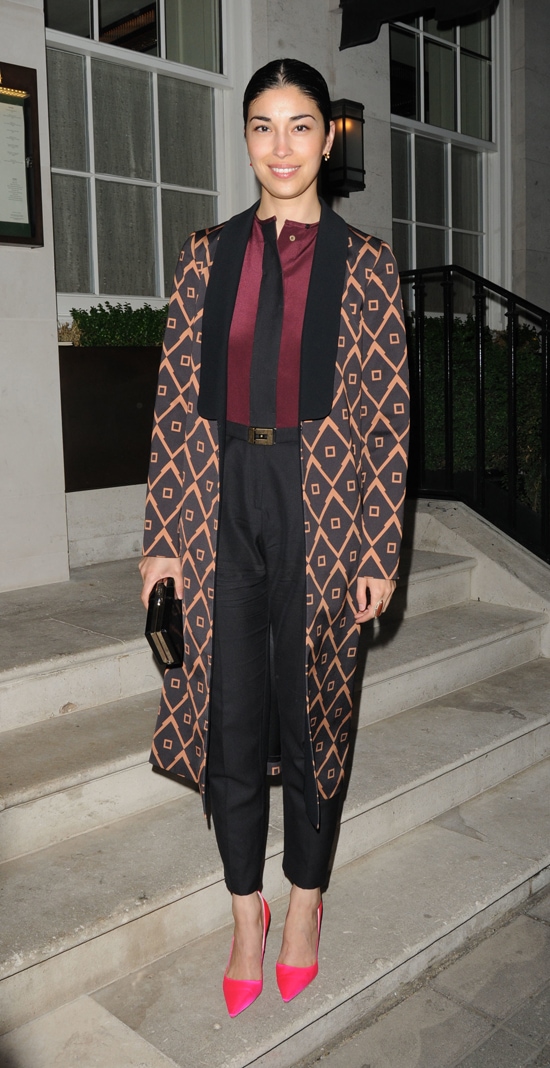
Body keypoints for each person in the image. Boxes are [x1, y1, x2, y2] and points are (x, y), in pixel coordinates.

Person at [139, 57, 409, 1018]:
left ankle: (307, 900)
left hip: (325, 505)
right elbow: (175, 404)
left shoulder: (368, 264)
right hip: (220, 501)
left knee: (318, 709)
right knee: (230, 710)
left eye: (301, 126)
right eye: (263, 126)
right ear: (245, 136)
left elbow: (386, 416)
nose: (281, 146)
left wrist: (379, 546)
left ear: (327, 138)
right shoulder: (204, 255)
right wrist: (162, 539)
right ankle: (246, 910)